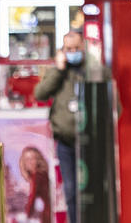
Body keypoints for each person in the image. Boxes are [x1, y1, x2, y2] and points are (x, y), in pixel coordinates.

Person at [33, 31, 85, 223]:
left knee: (89, 190)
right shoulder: (58, 73)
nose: (72, 52)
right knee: (70, 191)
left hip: (89, 143)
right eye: (68, 49)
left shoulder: (91, 69)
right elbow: (40, 93)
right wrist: (59, 69)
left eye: (76, 48)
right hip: (65, 143)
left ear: (83, 47)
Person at [19, 146, 51, 223]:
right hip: (45, 215)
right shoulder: (41, 174)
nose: (30, 162)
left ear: (38, 160)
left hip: (45, 216)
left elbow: (32, 197)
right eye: (27, 159)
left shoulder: (37, 175)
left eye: (33, 158)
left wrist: (27, 215)